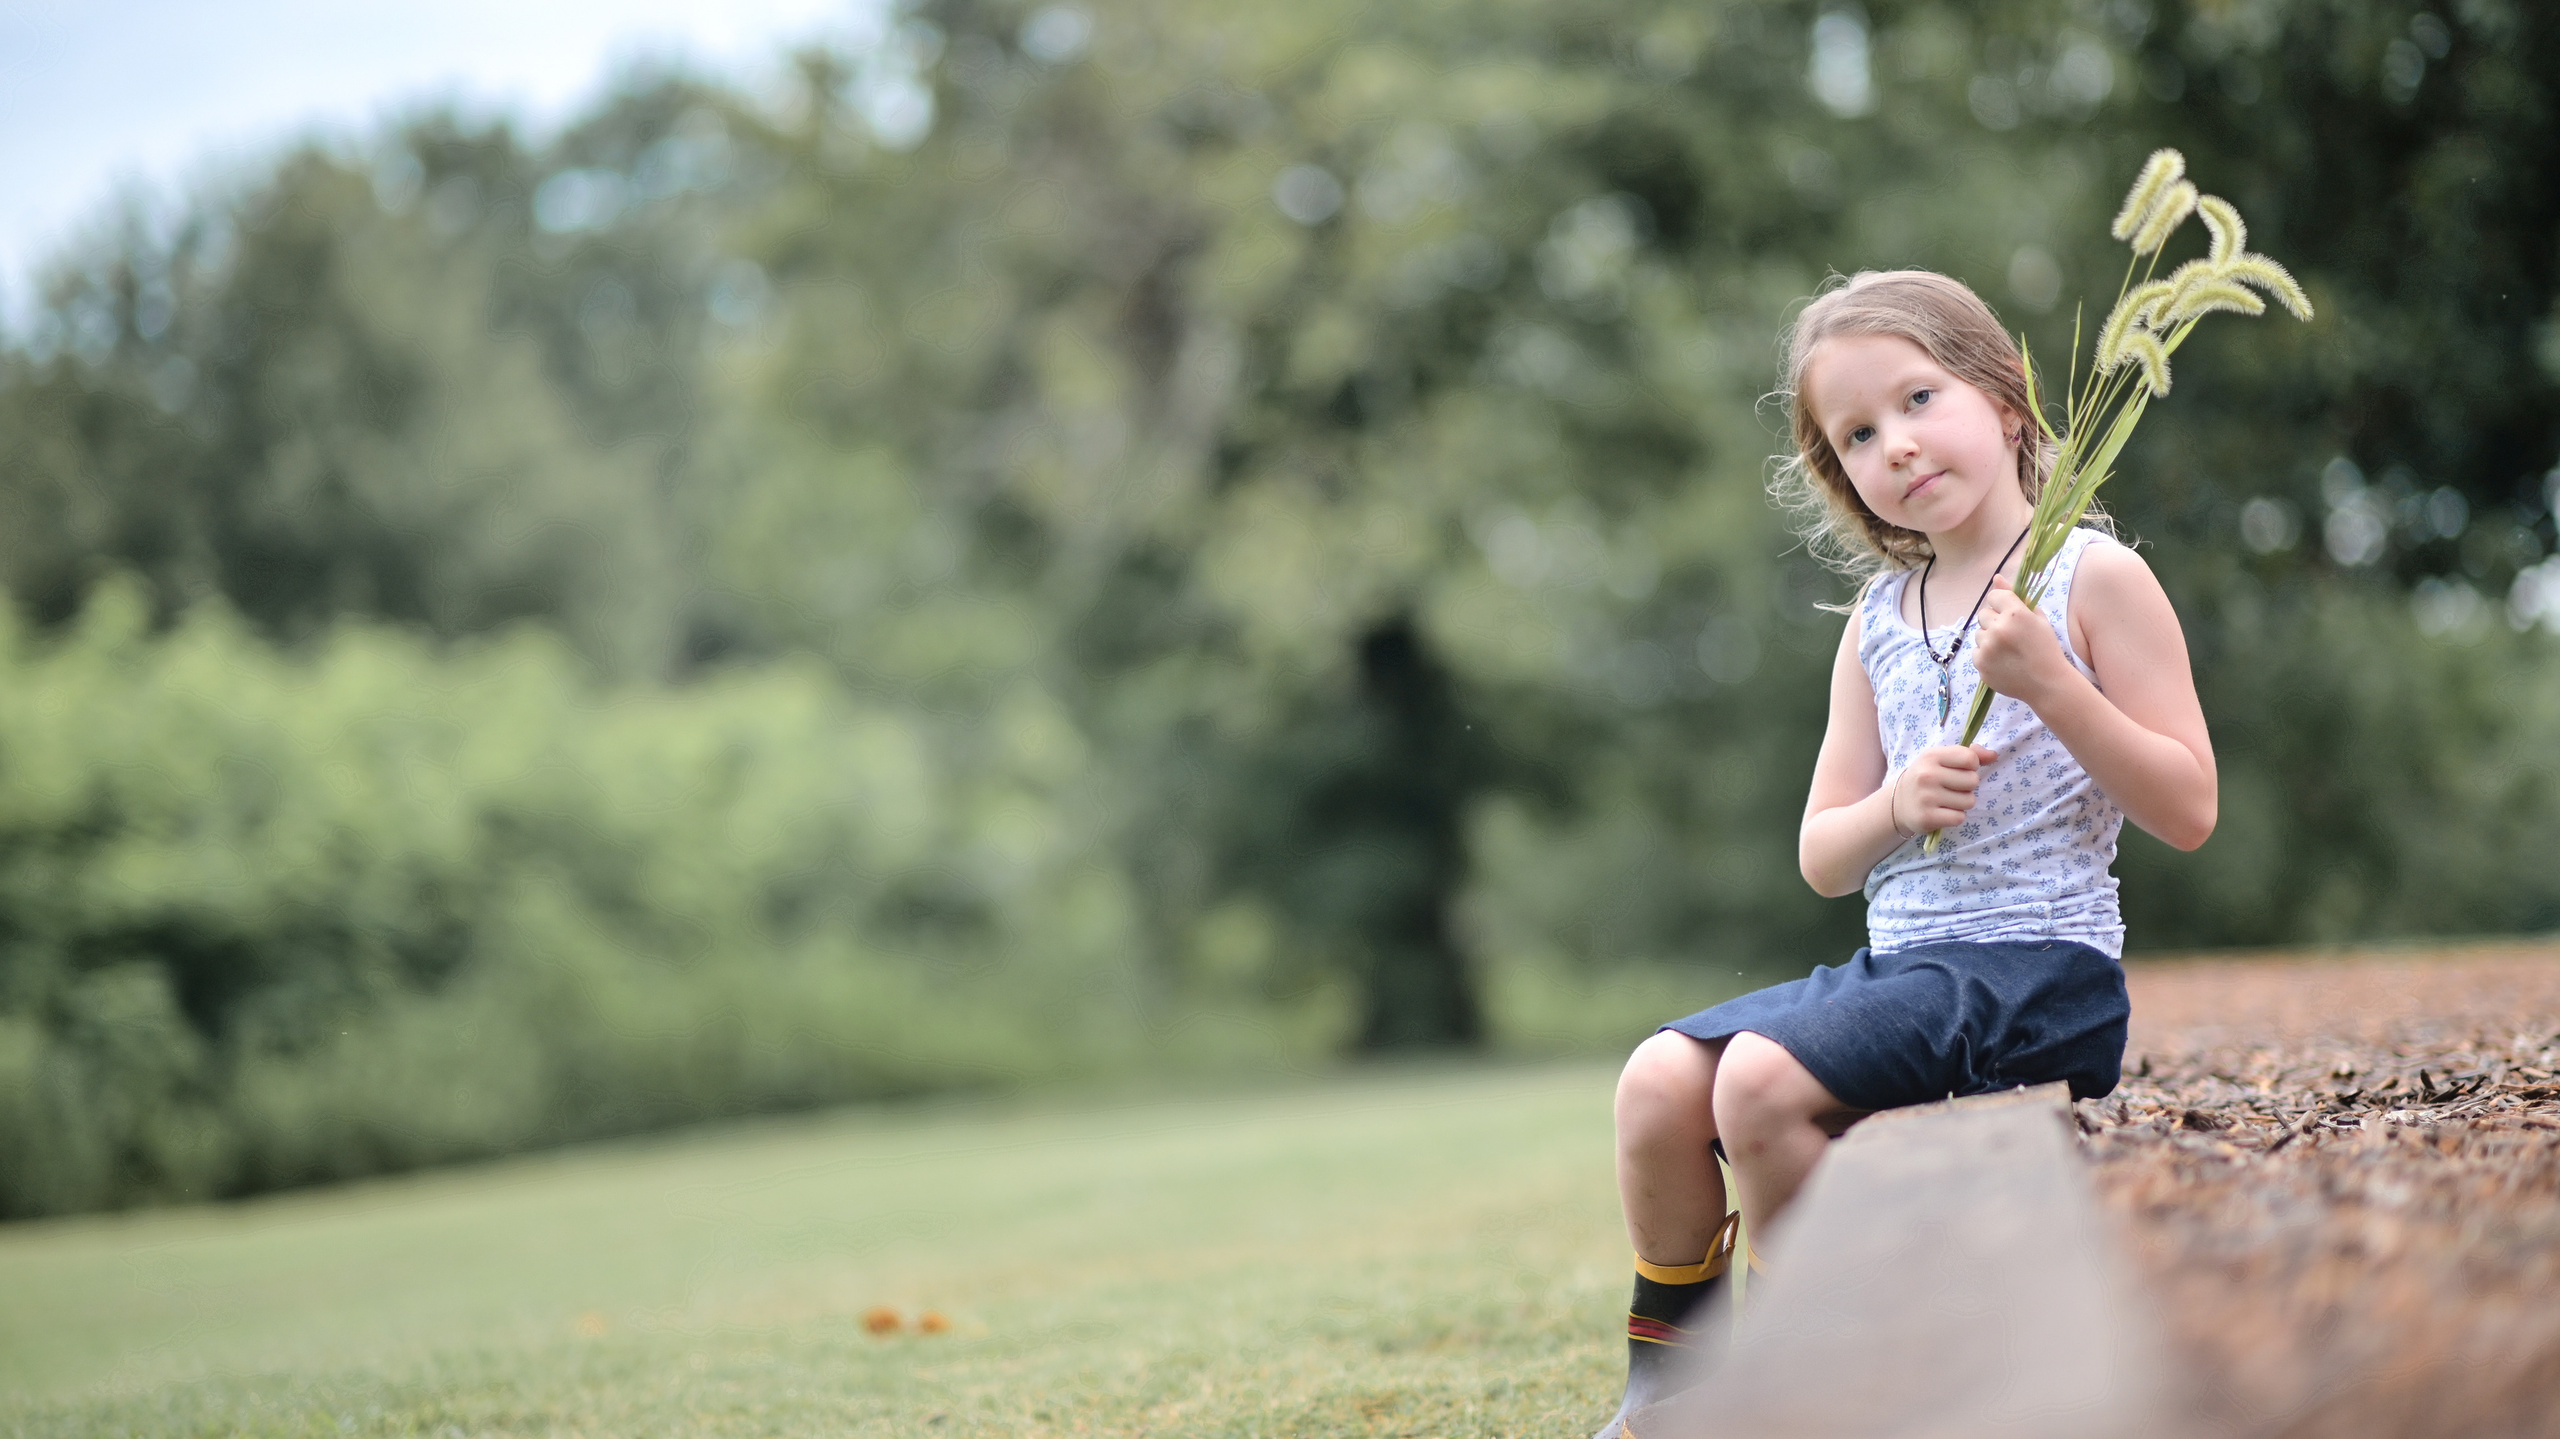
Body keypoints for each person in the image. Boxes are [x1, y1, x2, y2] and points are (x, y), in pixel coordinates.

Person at [1593, 269, 2217, 1438]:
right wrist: (1892, 804)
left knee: (1757, 1082)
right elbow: (1824, 856)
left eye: (1920, 398)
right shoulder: (1879, 619)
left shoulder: (2091, 578)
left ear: (2002, 396)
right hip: (1906, 972)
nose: (1897, 444)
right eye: (1858, 434)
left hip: (2042, 973)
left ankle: (1807, 1375)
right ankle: (1673, 1379)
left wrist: (2050, 686)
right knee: (1656, 1081)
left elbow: (2188, 804)